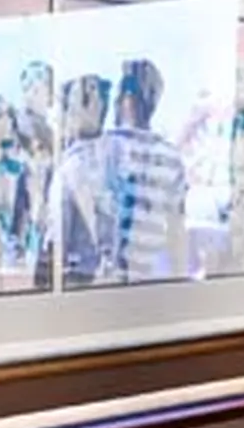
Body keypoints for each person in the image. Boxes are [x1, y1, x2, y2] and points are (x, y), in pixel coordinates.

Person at [55, 57, 191, 287]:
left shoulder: (102, 148)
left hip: (100, 278)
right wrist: (180, 282)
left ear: (126, 99)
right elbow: (176, 232)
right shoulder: (172, 158)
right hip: (143, 280)